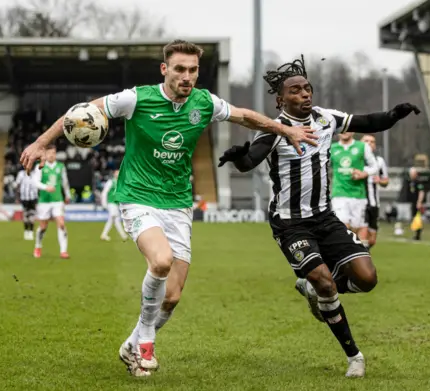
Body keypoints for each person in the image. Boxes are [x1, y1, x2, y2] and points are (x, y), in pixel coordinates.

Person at [19, 40, 317, 377]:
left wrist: (285, 129)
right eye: (179, 69)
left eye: (192, 70)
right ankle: (146, 343)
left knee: (172, 297)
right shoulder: (137, 98)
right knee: (160, 261)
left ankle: (131, 344)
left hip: (178, 203)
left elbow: (246, 117)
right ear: (165, 69)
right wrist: (42, 142)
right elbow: (83, 110)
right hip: (137, 196)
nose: (187, 76)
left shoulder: (204, 102)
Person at [217, 57, 420, 378]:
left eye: (307, 88)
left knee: (367, 279)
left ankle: (314, 288)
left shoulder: (327, 119)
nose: (305, 94)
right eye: (295, 91)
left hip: (325, 217)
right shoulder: (274, 130)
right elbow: (249, 162)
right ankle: (354, 356)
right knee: (325, 281)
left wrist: (394, 115)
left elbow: (367, 121)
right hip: (290, 222)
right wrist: (238, 155)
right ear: (281, 100)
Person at [330, 131, 378, 247]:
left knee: (356, 228)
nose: (344, 132)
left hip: (358, 194)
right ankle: (342, 258)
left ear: (353, 131)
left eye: (347, 129)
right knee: (342, 226)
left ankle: (353, 255)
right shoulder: (332, 148)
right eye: (341, 129)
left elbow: (374, 167)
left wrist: (364, 173)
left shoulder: (362, 147)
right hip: (339, 193)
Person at [30, 145, 70, 259]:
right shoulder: (40, 167)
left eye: (53, 153)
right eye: (49, 153)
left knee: (61, 224)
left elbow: (65, 182)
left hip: (58, 200)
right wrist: (45, 187)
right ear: (45, 155)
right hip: (44, 200)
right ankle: (38, 246)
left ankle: (63, 251)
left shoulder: (61, 166)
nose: (51, 155)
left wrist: (67, 195)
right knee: (43, 226)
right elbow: (35, 182)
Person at [360, 135, 389, 248]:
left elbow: (386, 181)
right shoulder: (356, 159)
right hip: (360, 202)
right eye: (366, 141)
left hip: (374, 204)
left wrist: (380, 180)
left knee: (372, 240)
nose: (369, 143)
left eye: (372, 141)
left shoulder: (379, 161)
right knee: (362, 236)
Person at [100, 169, 128, 242]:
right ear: (114, 174)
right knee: (113, 218)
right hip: (111, 203)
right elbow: (104, 192)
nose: (118, 174)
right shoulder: (110, 182)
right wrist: (104, 203)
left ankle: (123, 235)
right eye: (117, 173)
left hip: (116, 203)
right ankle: (104, 234)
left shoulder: (119, 183)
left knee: (116, 220)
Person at [15, 163, 39, 241]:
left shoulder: (35, 174)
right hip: (24, 198)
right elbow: (17, 185)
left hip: (33, 198)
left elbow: (38, 185)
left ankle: (31, 232)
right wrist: (17, 197)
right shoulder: (21, 174)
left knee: (32, 215)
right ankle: (26, 231)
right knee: (25, 215)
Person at [408, 167, 425, 240]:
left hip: (417, 203)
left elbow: (421, 192)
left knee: (417, 218)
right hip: (413, 202)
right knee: (414, 218)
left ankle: (418, 235)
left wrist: (419, 202)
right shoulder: (412, 182)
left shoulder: (419, 182)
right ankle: (416, 234)